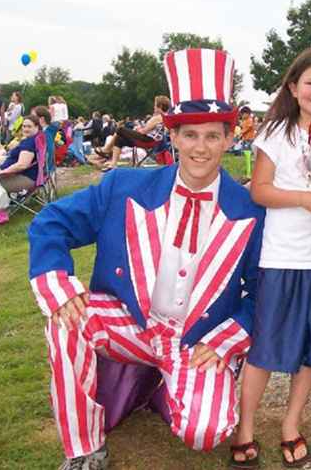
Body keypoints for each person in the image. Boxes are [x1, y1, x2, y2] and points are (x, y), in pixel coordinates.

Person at [27, 49, 265, 470]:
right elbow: (52, 222)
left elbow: (264, 292)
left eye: (212, 136)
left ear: (230, 139)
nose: (200, 148)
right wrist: (59, 286)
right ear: (172, 137)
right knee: (66, 320)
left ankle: (159, 386)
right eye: (190, 135)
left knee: (206, 433)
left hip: (194, 339)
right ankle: (85, 447)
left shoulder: (249, 209)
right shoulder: (122, 186)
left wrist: (225, 339)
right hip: (131, 323)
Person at [231, 48, 311, 468]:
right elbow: (259, 190)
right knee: (265, 348)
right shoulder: (275, 134)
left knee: (310, 350)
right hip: (282, 258)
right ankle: (244, 427)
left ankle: (290, 424)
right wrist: (304, 198)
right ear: (292, 87)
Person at [101, 95, 172, 171]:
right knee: (119, 139)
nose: (153, 107)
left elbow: (144, 131)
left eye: (155, 105)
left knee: (120, 129)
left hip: (148, 140)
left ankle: (107, 149)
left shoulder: (158, 117)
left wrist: (138, 129)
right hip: (152, 141)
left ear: (160, 106)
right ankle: (113, 163)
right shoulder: (164, 117)